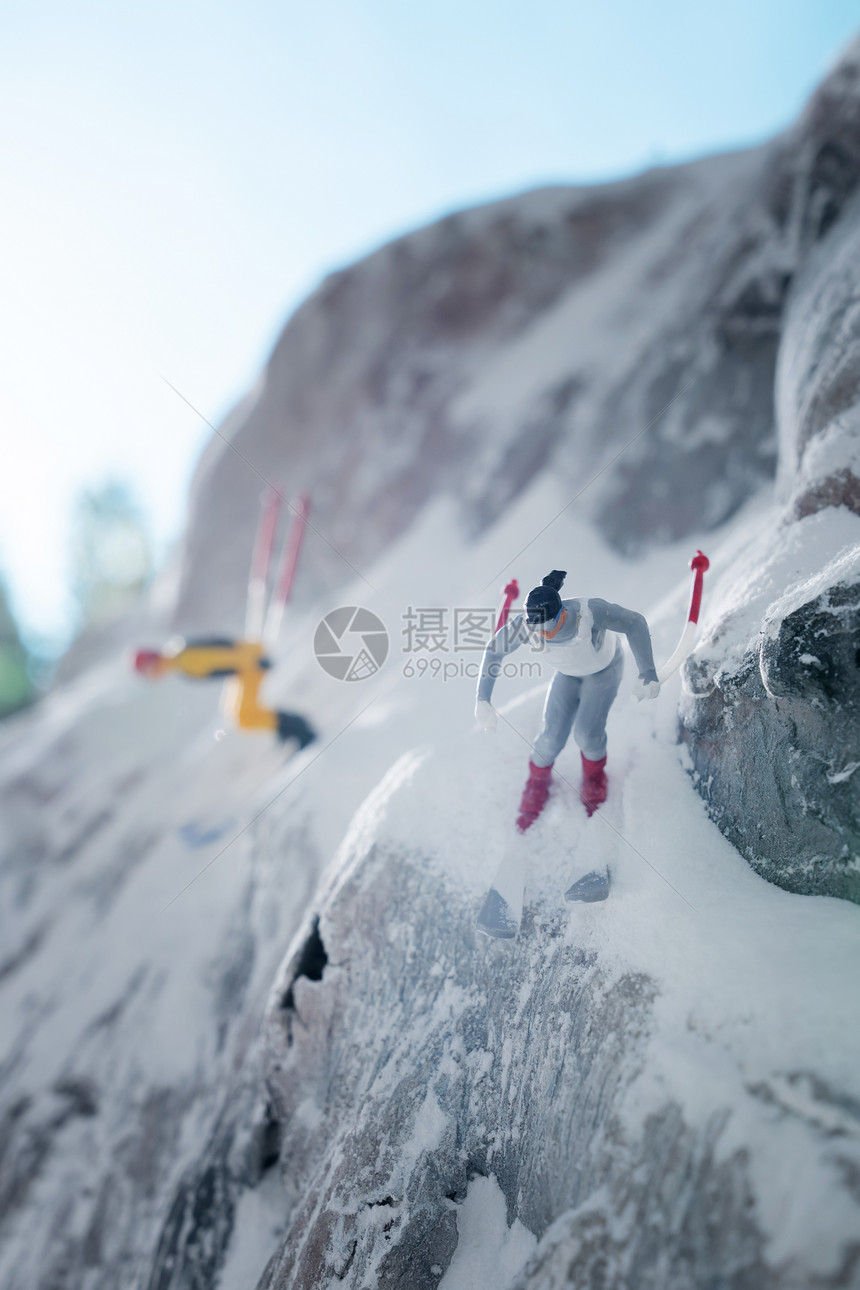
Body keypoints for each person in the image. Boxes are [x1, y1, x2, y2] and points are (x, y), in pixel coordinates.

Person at [475, 570, 659, 830]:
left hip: (603, 671)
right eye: (536, 630)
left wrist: (648, 671)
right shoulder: (527, 625)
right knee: (549, 738)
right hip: (568, 674)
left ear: (561, 614)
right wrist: (483, 699)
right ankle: (536, 783)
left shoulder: (590, 612)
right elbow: (494, 650)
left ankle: (594, 778)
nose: (541, 635)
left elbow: (635, 623)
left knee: (587, 735)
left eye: (546, 630)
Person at [133, 637, 315, 748]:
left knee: (243, 716)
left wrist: (255, 661)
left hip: (250, 663)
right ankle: (285, 728)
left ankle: (298, 728)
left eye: (148, 673)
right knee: (234, 712)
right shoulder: (177, 657)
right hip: (243, 666)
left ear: (152, 663)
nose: (152, 678)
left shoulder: (183, 659)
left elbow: (222, 657)